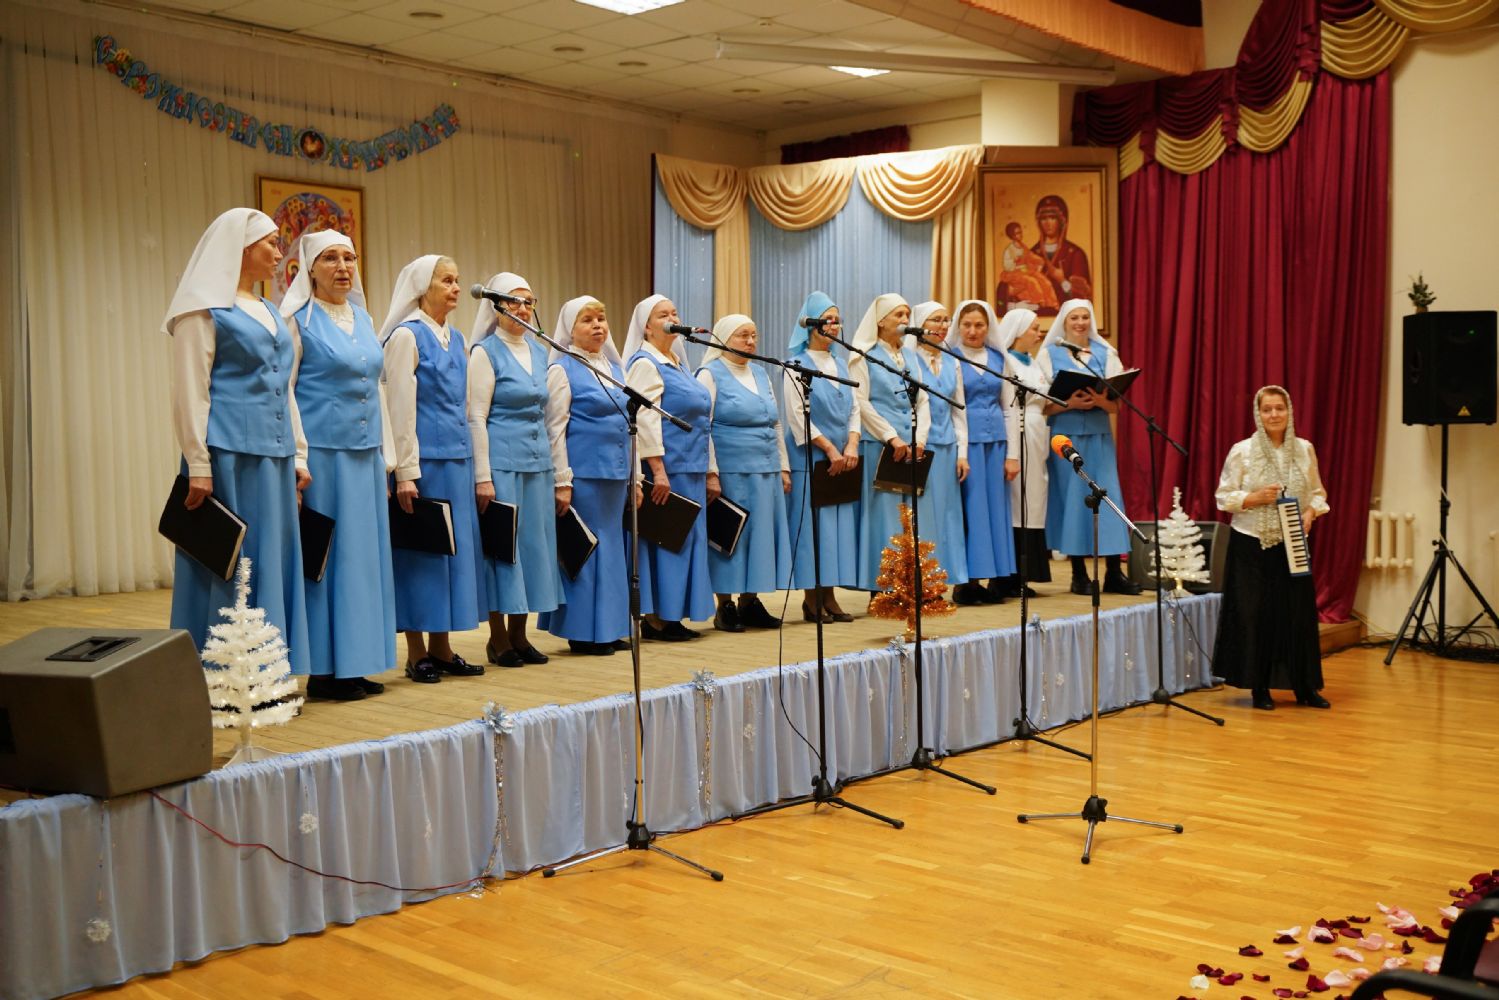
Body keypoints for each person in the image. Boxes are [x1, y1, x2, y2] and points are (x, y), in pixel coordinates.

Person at [165, 208, 310, 674]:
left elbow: (285, 388)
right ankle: (226, 674)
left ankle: (269, 672)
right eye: (271, 243)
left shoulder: (270, 311)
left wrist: (299, 454)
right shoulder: (203, 309)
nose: (279, 253)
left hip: (274, 456)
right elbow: (191, 390)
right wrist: (198, 462)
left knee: (272, 561)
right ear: (242, 249)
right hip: (228, 455)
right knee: (232, 562)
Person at [282, 229, 396, 699]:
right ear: (310, 270)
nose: (343, 267)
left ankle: (356, 662)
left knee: (363, 562)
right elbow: (284, 391)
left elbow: (377, 391)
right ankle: (324, 671)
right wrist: (298, 457)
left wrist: (388, 461)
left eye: (349, 258)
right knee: (328, 560)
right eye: (330, 258)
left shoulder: (364, 318)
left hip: (365, 457)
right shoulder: (297, 321)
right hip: (324, 457)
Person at [380, 255, 484, 683]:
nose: (456, 288)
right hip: (423, 462)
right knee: (420, 555)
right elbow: (399, 407)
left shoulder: (457, 338)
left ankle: (442, 647)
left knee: (450, 556)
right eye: (447, 280)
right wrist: (406, 470)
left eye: (458, 280)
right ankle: (416, 651)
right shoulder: (407, 335)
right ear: (423, 287)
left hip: (457, 460)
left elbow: (464, 404)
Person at [1211, 385, 1330, 710]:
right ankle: (1259, 687)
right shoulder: (1243, 451)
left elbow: (1318, 493)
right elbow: (1223, 497)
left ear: (1289, 411)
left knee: (1297, 615)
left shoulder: (1304, 449)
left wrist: (1310, 513)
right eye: (1267, 409)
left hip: (1292, 542)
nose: (1274, 415)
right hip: (1250, 544)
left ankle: (1305, 687)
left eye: (1280, 408)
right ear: (1258, 414)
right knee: (1256, 615)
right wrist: (1254, 498)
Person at [537, 296, 642, 655]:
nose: (598, 325)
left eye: (601, 318)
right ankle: (582, 632)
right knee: (585, 550)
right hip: (583, 475)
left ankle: (609, 629)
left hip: (615, 475)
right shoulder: (562, 369)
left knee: (612, 551)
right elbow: (555, 429)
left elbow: (632, 426)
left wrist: (636, 478)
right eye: (587, 320)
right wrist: (562, 480)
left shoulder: (616, 369)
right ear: (570, 329)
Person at [467, 272, 560, 668]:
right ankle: (498, 637)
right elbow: (476, 416)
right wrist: (483, 476)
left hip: (538, 463)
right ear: (497, 307)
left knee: (534, 548)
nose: (523, 308)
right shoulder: (485, 352)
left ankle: (521, 634)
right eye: (514, 301)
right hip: (502, 463)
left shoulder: (540, 352)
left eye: (529, 302)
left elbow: (548, 414)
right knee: (503, 549)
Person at [623, 294, 715, 641]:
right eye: (663, 314)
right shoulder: (646, 363)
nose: (673, 318)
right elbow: (645, 419)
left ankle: (673, 614)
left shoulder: (677, 362)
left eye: (675, 312)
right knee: (666, 541)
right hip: (668, 468)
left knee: (686, 542)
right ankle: (658, 618)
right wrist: (657, 470)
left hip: (691, 466)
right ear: (647, 326)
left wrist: (710, 469)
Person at [1037, 298, 1141, 595]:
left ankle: (1113, 572)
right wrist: (1070, 403)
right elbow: (1043, 406)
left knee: (1109, 499)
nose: (1080, 323)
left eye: (1085, 317)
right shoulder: (1048, 354)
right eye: (1074, 318)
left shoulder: (1106, 353)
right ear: (1064, 322)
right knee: (1073, 503)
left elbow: (1116, 407)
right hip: (1065, 440)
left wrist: (1099, 401)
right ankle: (1078, 574)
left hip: (1099, 438)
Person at [696, 313, 791, 632]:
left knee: (760, 535)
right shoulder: (710, 373)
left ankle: (750, 601)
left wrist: (783, 466)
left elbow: (775, 423)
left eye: (754, 335)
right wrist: (710, 472)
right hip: (731, 469)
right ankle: (725, 605)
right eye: (743, 335)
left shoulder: (761, 373)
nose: (751, 341)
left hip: (766, 468)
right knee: (731, 536)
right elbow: (703, 427)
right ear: (724, 338)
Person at [782, 292, 861, 623]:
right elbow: (796, 415)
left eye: (838, 320)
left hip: (843, 457)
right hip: (812, 458)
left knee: (836, 531)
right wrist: (829, 449)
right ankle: (811, 599)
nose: (834, 325)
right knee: (814, 530)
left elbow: (854, 408)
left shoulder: (842, 364)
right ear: (811, 324)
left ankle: (830, 595)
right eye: (828, 319)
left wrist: (852, 445)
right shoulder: (795, 365)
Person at [849, 293, 932, 594]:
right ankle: (882, 586)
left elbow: (923, 399)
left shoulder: (910, 356)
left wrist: (919, 438)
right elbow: (860, 401)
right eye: (898, 315)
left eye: (907, 315)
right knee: (884, 516)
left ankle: (909, 585)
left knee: (911, 515)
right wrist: (891, 436)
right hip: (880, 445)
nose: (905, 320)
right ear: (880, 321)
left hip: (911, 446)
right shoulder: (863, 355)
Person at [945, 299, 1018, 604]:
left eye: (979, 325)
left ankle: (994, 578)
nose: (973, 331)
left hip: (997, 444)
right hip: (966, 444)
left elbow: (1010, 407)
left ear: (989, 327)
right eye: (967, 325)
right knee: (972, 511)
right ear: (958, 326)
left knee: (995, 512)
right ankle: (967, 583)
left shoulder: (1000, 359)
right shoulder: (950, 357)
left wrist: (1012, 454)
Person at [908, 301, 970, 591]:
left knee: (948, 515)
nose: (942, 326)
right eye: (935, 320)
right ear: (920, 325)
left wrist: (962, 453)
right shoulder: (909, 359)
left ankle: (944, 579)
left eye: (946, 320)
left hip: (947, 447)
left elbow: (959, 412)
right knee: (924, 515)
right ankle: (922, 581)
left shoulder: (952, 362)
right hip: (921, 446)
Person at [996, 306, 1052, 596]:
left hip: (1037, 434)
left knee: (1034, 501)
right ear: (1017, 331)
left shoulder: (1034, 363)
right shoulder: (1006, 362)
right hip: (1017, 433)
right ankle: (1011, 574)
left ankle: (1028, 572)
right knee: (1017, 500)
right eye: (1034, 328)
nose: (1039, 333)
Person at [1030, 195, 1092, 312]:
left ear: (1062, 221)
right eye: (1043, 218)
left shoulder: (1075, 254)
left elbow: (1083, 300)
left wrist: (1062, 281)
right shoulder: (1031, 254)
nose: (1048, 223)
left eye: (1052, 218)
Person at [996, 222, 1058, 313]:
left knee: (1045, 281)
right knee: (1032, 281)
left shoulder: (1023, 246)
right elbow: (1007, 265)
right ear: (1012, 236)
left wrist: (1039, 261)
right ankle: (1040, 303)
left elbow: (1030, 256)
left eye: (1020, 232)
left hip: (1025, 270)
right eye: (1017, 233)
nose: (1020, 235)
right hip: (1014, 273)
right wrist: (1014, 262)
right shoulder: (1010, 250)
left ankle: (1052, 304)